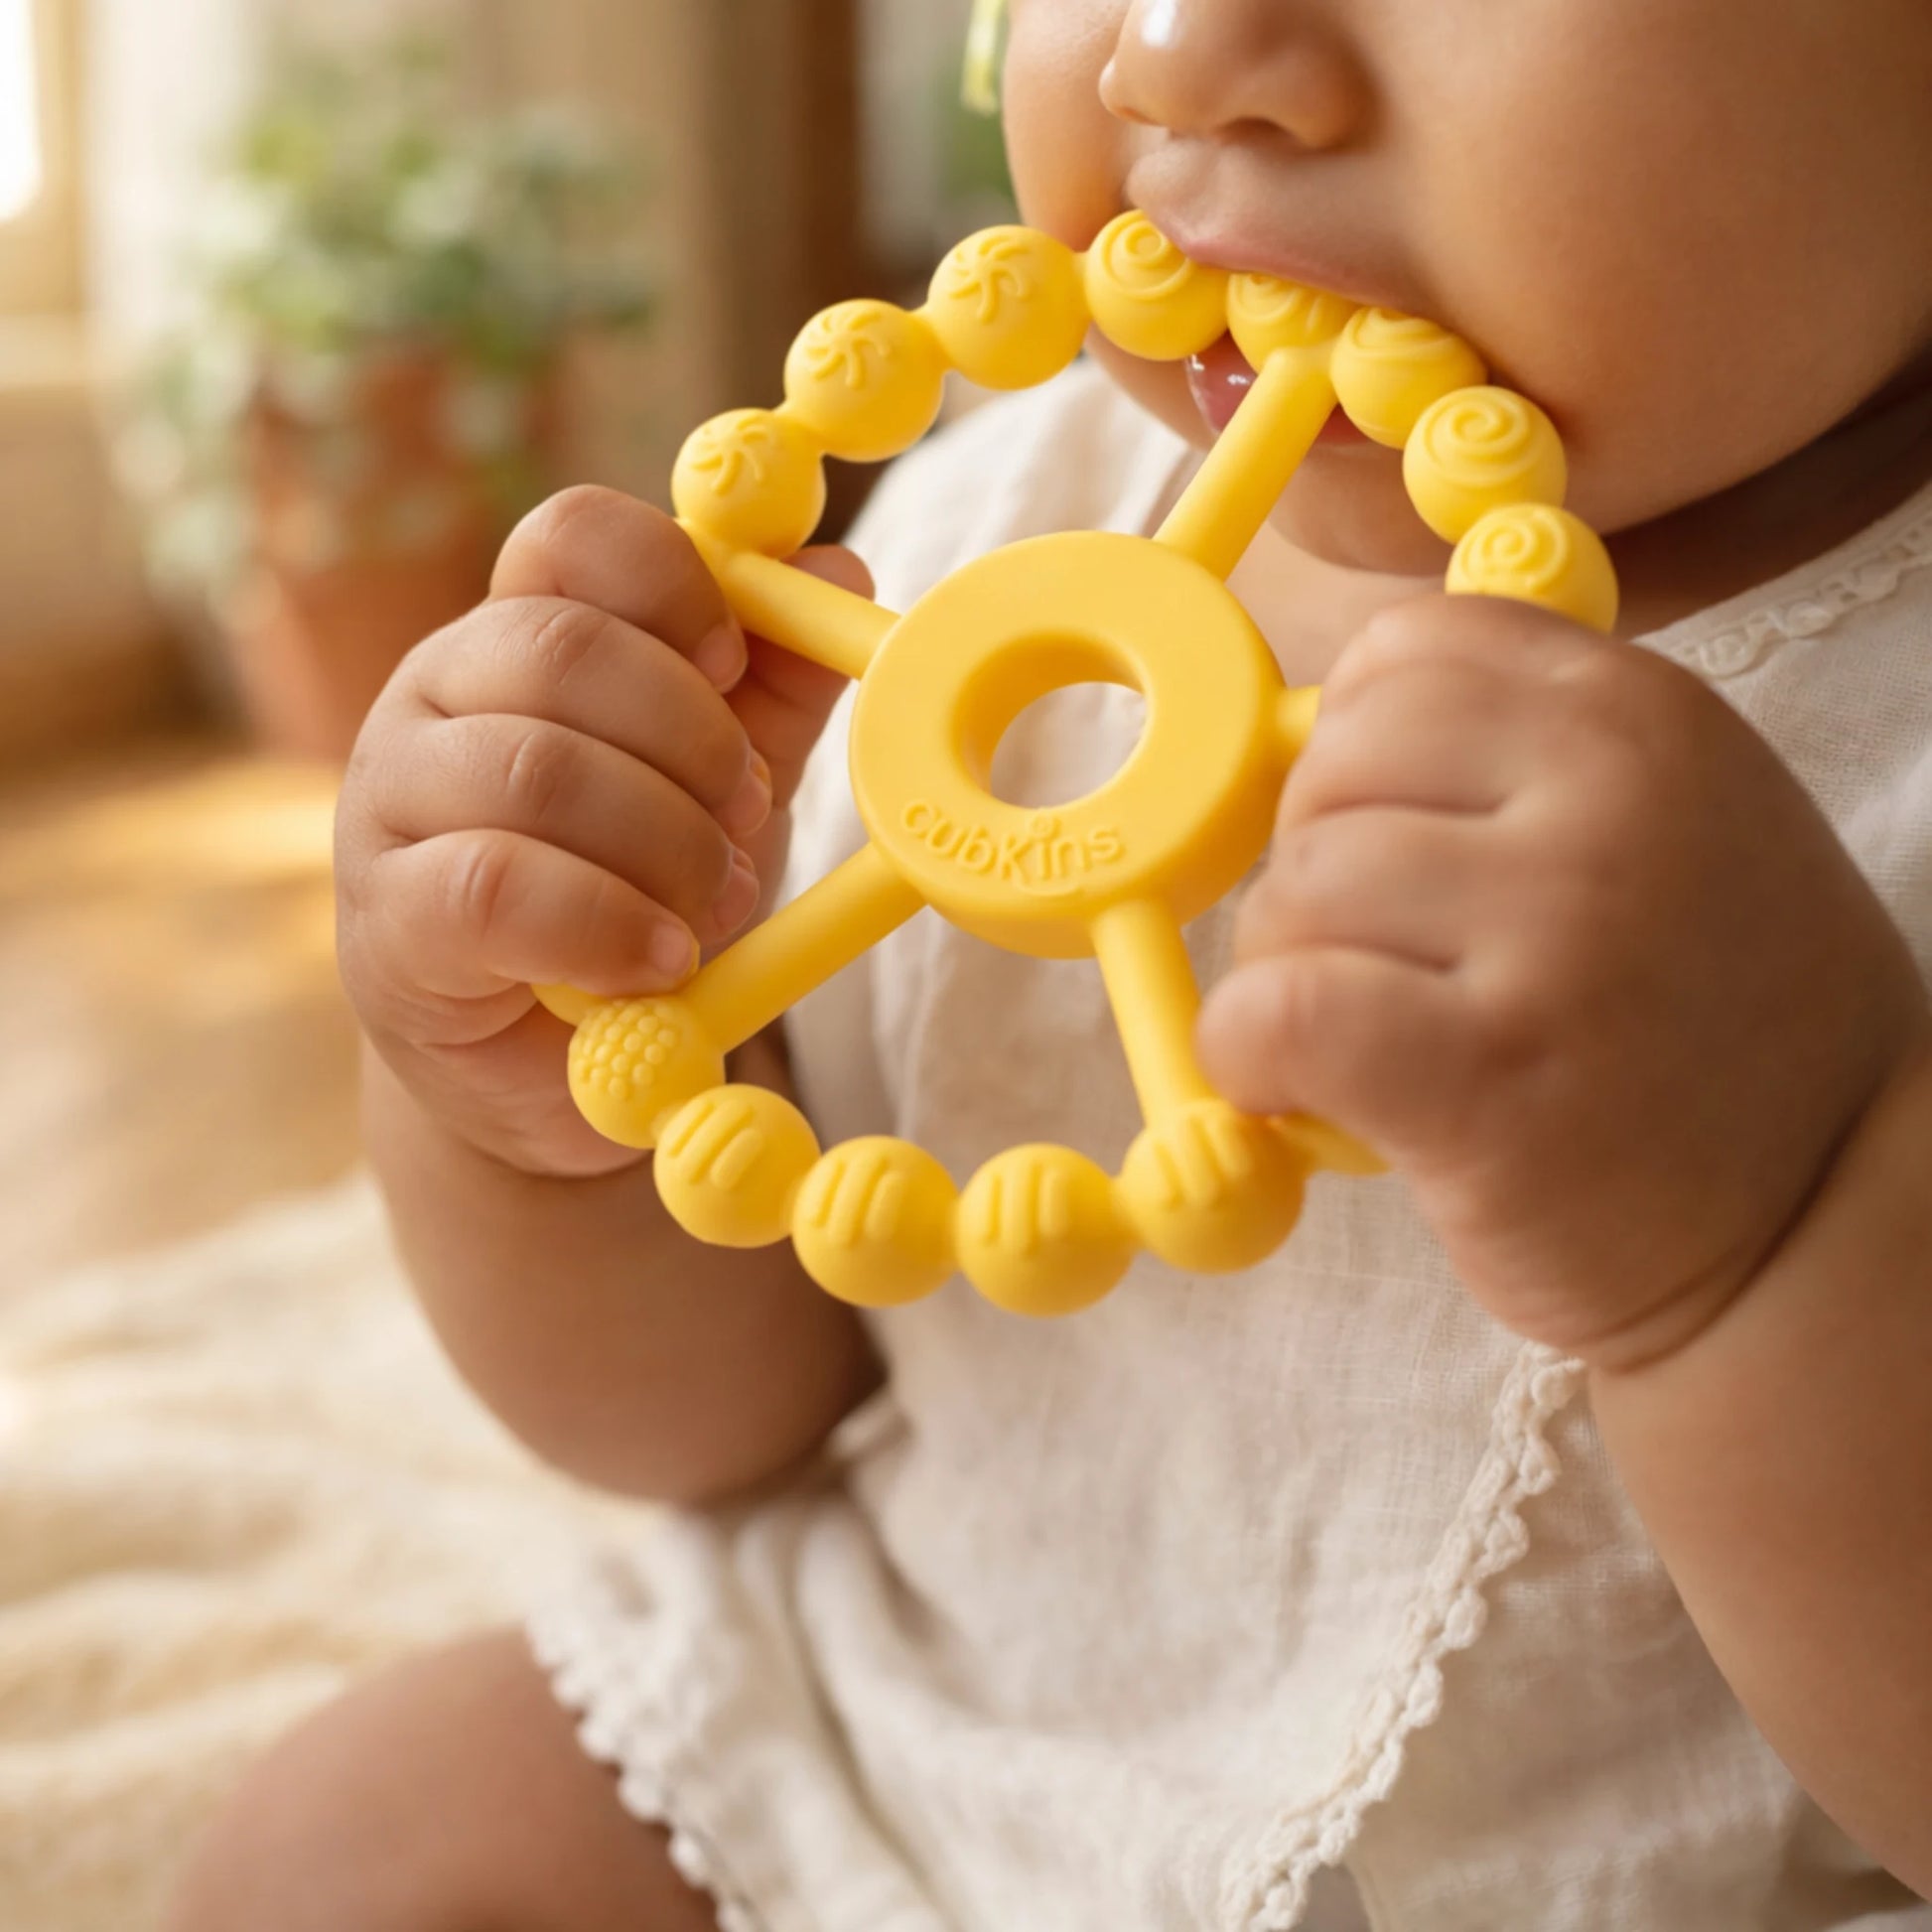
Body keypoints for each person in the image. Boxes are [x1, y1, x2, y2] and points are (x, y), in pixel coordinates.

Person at [168, 2, 1932, 1926]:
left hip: (1666, 1881)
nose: (1182, 51)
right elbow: (716, 1417)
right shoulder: (999, 547)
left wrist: (1776, 1229)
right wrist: (533, 1079)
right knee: (347, 1844)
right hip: (944, 1730)